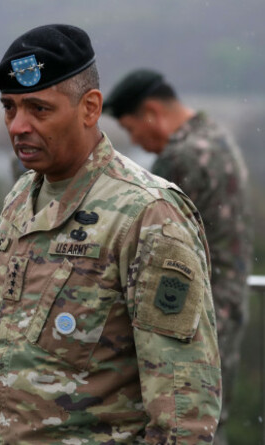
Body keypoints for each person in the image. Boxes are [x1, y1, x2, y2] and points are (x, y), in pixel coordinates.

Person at [0, 24, 221, 444]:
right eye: (9, 108)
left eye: (39, 109)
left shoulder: (147, 213)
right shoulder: (20, 199)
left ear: (89, 109)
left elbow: (183, 409)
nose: (18, 126)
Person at [103, 68, 253, 444]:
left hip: (186, 314)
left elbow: (147, 233)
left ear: (151, 112)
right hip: (227, 306)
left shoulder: (181, 159)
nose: (138, 141)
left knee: (177, 421)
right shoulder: (217, 139)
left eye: (133, 129)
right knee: (209, 421)